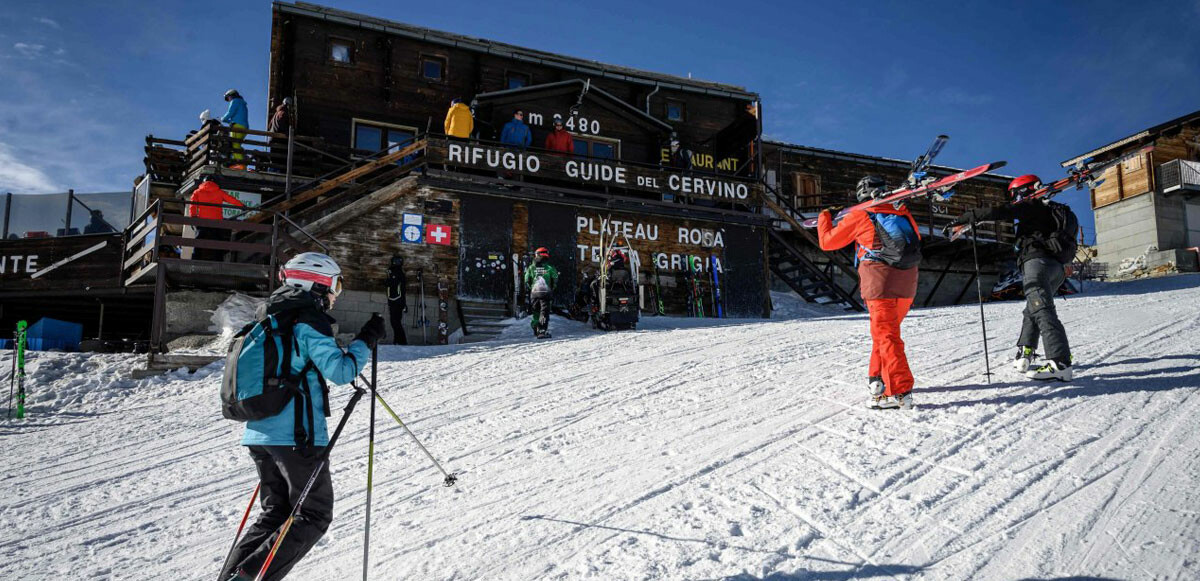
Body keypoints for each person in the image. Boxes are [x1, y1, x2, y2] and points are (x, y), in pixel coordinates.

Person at [220, 252, 386, 581]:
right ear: (316, 283)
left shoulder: (270, 317)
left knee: (274, 516)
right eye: (335, 285)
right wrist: (366, 339)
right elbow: (341, 371)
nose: (336, 294)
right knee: (313, 513)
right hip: (296, 437)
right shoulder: (308, 319)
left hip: (260, 433)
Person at [947, 174, 1074, 381]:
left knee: (1042, 309)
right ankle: (1026, 351)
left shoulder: (1032, 205)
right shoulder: (1056, 211)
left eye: (1015, 194)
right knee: (1033, 307)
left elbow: (1002, 212)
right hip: (1056, 269)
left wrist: (968, 217)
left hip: (1036, 263)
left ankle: (1060, 363)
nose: (1014, 199)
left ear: (1024, 191)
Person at [818, 175, 922, 409]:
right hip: (907, 283)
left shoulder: (860, 215)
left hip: (879, 282)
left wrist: (824, 216)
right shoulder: (902, 213)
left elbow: (827, 242)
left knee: (886, 335)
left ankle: (900, 391)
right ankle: (878, 381)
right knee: (886, 333)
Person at [187, 178, 245, 261]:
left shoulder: (197, 192)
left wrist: (193, 217)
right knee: (218, 241)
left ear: (203, 182)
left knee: (198, 241)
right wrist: (241, 206)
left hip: (202, 222)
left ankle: (194, 260)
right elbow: (231, 199)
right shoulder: (219, 192)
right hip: (216, 221)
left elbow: (192, 205)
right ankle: (218, 261)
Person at [523, 247, 559, 339]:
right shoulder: (550, 268)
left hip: (534, 293)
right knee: (544, 312)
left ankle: (535, 327)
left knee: (536, 311)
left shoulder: (531, 267)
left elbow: (526, 280)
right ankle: (542, 330)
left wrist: (531, 288)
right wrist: (552, 289)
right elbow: (555, 279)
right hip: (545, 293)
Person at [220, 89, 250, 169]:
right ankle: (244, 160)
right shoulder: (242, 103)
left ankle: (241, 164)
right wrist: (229, 121)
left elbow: (230, 113)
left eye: (228, 97)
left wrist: (222, 119)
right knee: (237, 145)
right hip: (244, 126)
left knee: (234, 144)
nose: (228, 100)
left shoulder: (235, 101)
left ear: (231, 95)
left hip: (237, 126)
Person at [385, 255, 408, 345]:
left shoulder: (397, 272)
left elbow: (393, 284)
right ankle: (397, 340)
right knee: (395, 321)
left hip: (397, 300)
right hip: (394, 299)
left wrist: (403, 303)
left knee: (395, 322)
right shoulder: (394, 271)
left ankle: (402, 341)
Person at [267, 98, 292, 173]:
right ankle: (275, 174)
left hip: (272, 139)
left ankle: (271, 173)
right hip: (279, 140)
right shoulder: (284, 111)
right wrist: (287, 132)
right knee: (279, 158)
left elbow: (269, 125)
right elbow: (281, 122)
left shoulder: (276, 113)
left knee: (274, 159)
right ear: (288, 105)